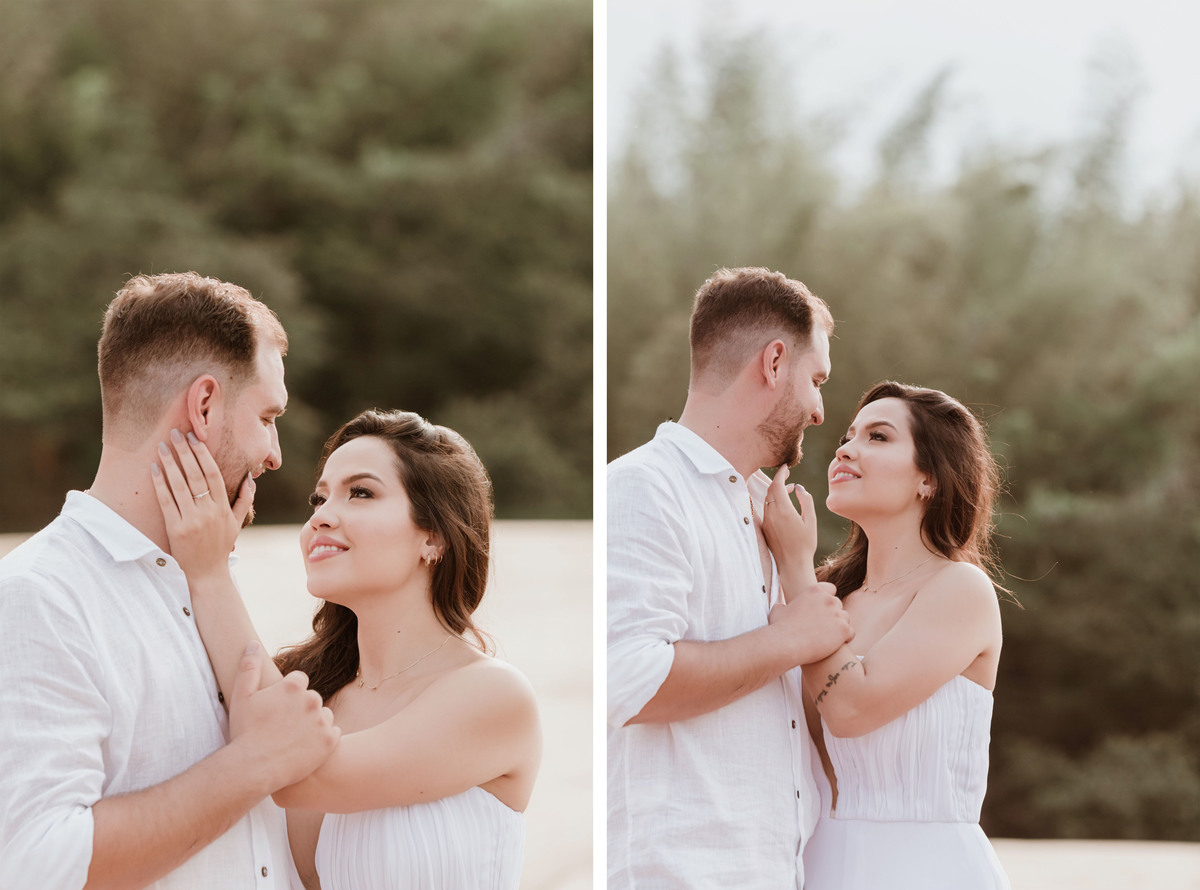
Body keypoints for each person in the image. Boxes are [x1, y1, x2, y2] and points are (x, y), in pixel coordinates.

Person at [0, 272, 341, 888]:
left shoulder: (206, 578)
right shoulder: (39, 596)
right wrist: (254, 765)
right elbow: (38, 863)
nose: (275, 454)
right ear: (204, 405)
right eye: (267, 417)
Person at [150, 408, 541, 889]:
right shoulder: (308, 688)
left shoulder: (495, 696)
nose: (321, 517)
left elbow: (291, 770)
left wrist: (209, 573)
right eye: (319, 499)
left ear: (434, 536)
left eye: (361, 493)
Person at [607, 266, 855, 887]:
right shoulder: (643, 487)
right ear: (774, 363)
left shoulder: (764, 508)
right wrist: (790, 640)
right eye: (817, 380)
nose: (820, 411)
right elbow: (630, 680)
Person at [761, 380, 1011, 889]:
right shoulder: (831, 596)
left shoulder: (960, 589)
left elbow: (851, 708)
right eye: (848, 436)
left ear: (929, 479)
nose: (846, 449)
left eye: (877, 437)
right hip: (824, 864)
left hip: (930, 870)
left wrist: (794, 566)